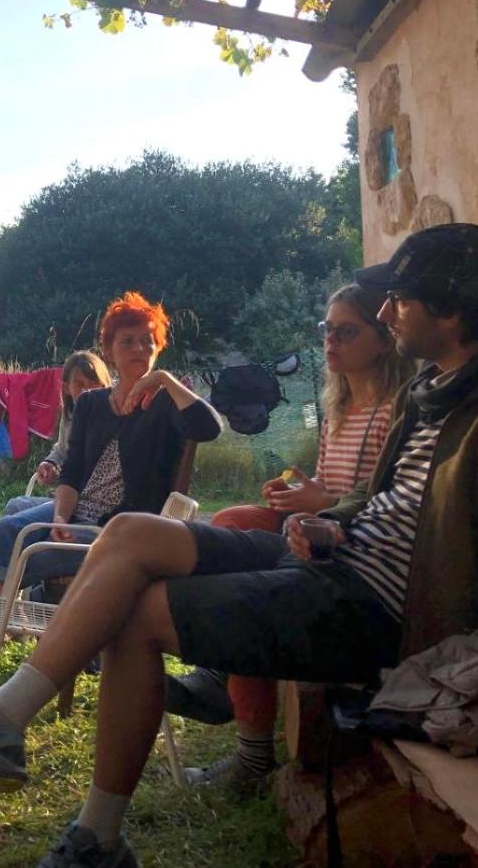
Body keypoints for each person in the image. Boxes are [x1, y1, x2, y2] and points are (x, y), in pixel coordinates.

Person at [0, 224, 478, 868]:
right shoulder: (434, 394)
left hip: (378, 611)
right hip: (332, 560)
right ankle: (2, 721)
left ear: (451, 311)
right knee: (129, 533)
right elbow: (384, 500)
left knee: (136, 615)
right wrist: (333, 519)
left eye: (400, 301)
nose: (386, 313)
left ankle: (91, 831)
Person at [0, 293, 222, 719]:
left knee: (6, 535)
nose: (139, 348)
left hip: (119, 537)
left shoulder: (169, 404)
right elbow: (72, 473)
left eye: (147, 341)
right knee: (8, 532)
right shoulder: (93, 403)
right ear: (109, 351)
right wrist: (60, 515)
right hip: (76, 517)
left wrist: (165, 380)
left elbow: (210, 427)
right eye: (127, 341)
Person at [170, 283, 415, 789]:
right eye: (327, 329)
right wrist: (296, 491)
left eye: (347, 332)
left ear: (383, 340)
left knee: (236, 543)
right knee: (230, 519)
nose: (331, 342)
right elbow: (327, 481)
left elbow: (385, 497)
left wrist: (321, 502)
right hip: (315, 523)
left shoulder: (396, 411)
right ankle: (224, 691)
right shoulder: (339, 407)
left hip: (351, 543)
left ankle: (237, 719)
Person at [1, 351, 112, 517]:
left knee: (14, 510)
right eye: (79, 385)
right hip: (68, 499)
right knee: (15, 507)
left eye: (93, 384)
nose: (87, 391)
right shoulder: (71, 414)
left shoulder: (112, 418)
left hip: (88, 506)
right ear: (67, 388)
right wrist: (50, 463)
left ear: (105, 386)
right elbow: (62, 449)